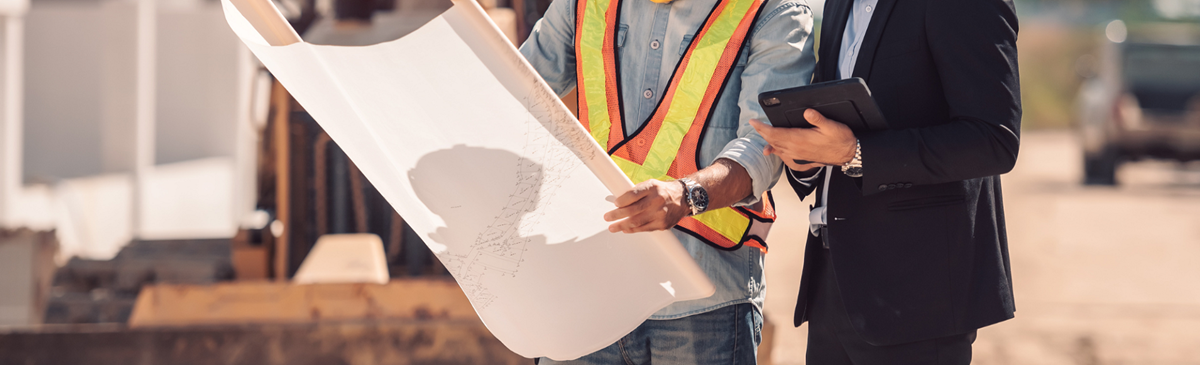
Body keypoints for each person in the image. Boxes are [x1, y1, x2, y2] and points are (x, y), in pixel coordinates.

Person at [519, 0, 816, 361]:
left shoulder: (773, 11)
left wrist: (688, 195)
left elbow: (764, 147)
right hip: (585, 290)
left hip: (702, 305)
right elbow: (512, 91)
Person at [748, 0, 1021, 363]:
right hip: (832, 282)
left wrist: (857, 154)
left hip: (919, 297)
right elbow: (837, 117)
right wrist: (804, 155)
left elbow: (993, 140)